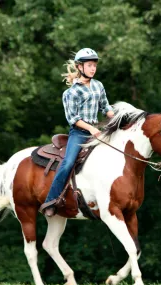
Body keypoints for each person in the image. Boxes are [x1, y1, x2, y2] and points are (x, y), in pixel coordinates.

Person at [39, 48, 115, 217]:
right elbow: (73, 118)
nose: (93, 68)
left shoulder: (98, 85)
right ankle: (51, 200)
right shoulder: (71, 92)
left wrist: (118, 118)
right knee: (67, 163)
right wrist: (91, 129)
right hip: (80, 133)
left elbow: (106, 107)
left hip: (98, 131)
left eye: (94, 65)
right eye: (89, 65)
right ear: (80, 67)